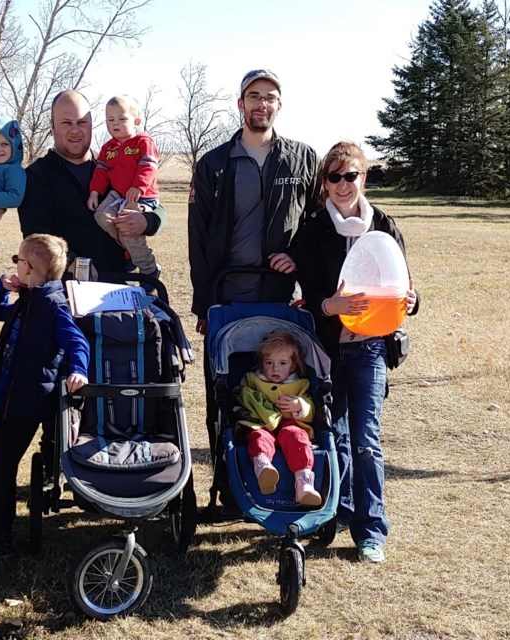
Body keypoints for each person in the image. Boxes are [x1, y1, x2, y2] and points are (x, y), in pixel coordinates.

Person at [279, 140, 420, 563]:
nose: (343, 185)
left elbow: (404, 285)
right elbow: (310, 289)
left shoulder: (384, 226)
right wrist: (330, 306)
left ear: (364, 177)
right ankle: (338, 511)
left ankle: (371, 530)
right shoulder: (315, 227)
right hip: (328, 350)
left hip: (371, 349)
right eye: (334, 177)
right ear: (325, 183)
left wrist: (413, 301)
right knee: (334, 435)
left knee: (366, 440)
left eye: (351, 176)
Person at [187, 69, 320, 482]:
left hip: (281, 300)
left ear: (280, 105)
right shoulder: (214, 164)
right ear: (240, 103)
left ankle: (294, 479)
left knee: (285, 392)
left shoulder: (303, 159)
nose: (262, 103)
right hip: (228, 298)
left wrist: (297, 257)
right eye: (253, 96)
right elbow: (198, 238)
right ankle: (231, 485)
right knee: (228, 397)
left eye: (270, 97)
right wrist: (205, 303)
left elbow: (316, 224)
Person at [0, 233, 89, 578]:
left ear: (29, 268)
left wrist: (78, 370)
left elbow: (77, 341)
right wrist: (1, 286)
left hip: (28, 400)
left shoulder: (53, 305)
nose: (14, 264)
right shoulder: (28, 296)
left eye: (17, 260)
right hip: (7, 395)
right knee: (0, 465)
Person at [18, 89, 166, 277]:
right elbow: (36, 237)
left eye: (82, 122)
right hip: (66, 289)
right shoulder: (36, 175)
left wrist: (147, 221)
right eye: (66, 123)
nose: (75, 130)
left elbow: (156, 206)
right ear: (52, 126)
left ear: (91, 125)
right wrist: (72, 263)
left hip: (120, 282)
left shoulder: (114, 162)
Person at [234, 331, 321, 507]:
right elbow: (241, 398)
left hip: (291, 423)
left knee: (297, 436)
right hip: (260, 424)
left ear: (293, 366)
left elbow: (312, 410)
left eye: (282, 363)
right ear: (261, 363)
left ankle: (303, 481)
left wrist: (300, 406)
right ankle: (263, 468)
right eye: (269, 363)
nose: (275, 369)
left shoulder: (300, 384)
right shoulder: (252, 380)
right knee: (259, 437)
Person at [87, 95, 161, 281]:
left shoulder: (143, 142)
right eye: (110, 120)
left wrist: (138, 186)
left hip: (142, 196)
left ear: (136, 121)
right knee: (102, 216)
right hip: (118, 194)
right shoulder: (108, 148)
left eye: (122, 119)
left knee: (128, 226)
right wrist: (94, 192)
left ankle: (149, 269)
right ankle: (128, 249)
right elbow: (101, 171)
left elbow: (149, 166)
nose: (115, 124)